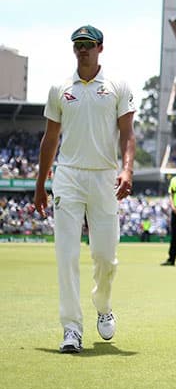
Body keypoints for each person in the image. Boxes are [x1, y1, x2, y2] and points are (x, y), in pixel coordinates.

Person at [33, 25, 136, 353]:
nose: (83, 50)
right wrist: (39, 186)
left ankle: (102, 304)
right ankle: (71, 329)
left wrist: (127, 169)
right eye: (78, 45)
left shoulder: (117, 86)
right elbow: (50, 139)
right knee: (66, 254)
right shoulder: (60, 88)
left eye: (88, 45)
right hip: (69, 177)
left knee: (105, 256)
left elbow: (128, 134)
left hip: (105, 176)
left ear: (100, 48)